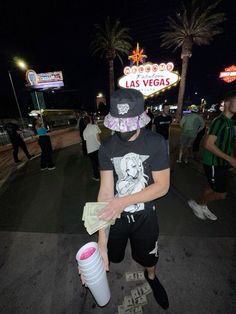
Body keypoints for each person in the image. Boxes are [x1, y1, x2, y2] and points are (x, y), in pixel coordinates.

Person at [95, 89, 170, 310]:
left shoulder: (156, 143)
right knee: (113, 256)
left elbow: (162, 186)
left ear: (141, 118)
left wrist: (122, 201)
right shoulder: (107, 147)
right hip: (116, 219)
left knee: (149, 259)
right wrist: (100, 238)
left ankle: (152, 278)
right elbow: (106, 192)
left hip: (145, 217)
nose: (123, 132)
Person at [188, 91, 236, 221]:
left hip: (222, 163)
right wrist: (230, 159)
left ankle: (202, 205)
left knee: (211, 187)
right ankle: (198, 204)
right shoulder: (219, 121)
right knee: (221, 194)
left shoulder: (230, 122)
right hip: (214, 162)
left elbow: (227, 144)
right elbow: (208, 144)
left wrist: (230, 158)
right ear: (226, 103)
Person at [83, 116, 101, 181]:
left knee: (94, 165)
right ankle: (106, 175)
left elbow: (85, 140)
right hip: (97, 148)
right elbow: (98, 137)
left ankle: (97, 177)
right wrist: (101, 145)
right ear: (90, 120)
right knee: (101, 162)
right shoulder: (94, 126)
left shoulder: (84, 131)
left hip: (90, 150)